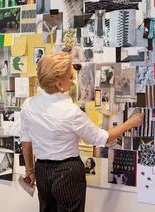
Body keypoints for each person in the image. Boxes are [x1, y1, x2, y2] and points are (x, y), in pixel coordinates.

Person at [20, 51, 143, 212]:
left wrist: (30, 170)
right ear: (59, 84)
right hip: (67, 173)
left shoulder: (29, 105)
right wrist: (129, 123)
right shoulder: (71, 112)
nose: (73, 80)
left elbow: (26, 142)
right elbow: (102, 138)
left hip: (42, 171)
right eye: (70, 77)